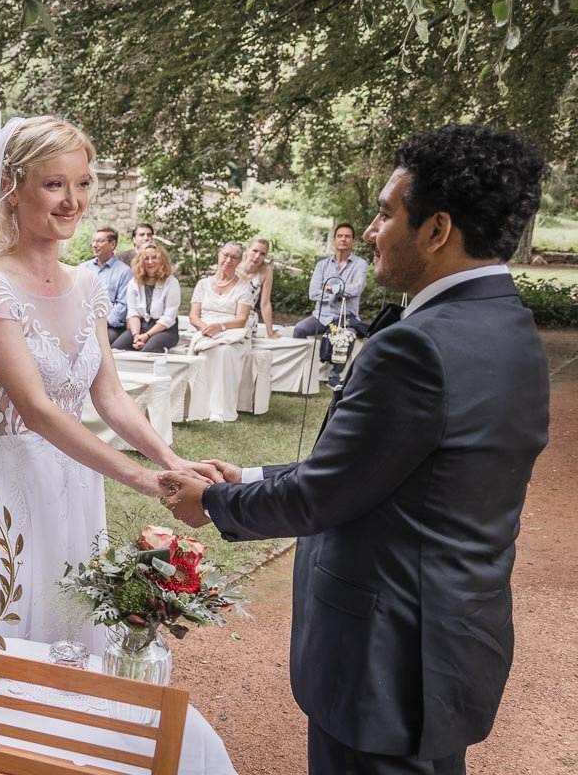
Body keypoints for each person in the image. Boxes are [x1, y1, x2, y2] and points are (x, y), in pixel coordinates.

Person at [162, 125, 550, 775]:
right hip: (452, 640)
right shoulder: (511, 328)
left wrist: (215, 501)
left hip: (384, 657)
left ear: (437, 229)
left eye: (386, 213)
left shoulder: (415, 346)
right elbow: (378, 466)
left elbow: (324, 493)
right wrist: (249, 473)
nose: (371, 231)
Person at [0, 116, 219, 651]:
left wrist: (172, 460)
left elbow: (108, 395)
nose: (73, 201)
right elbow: (38, 411)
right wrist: (144, 480)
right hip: (17, 486)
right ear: (11, 188)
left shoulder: (88, 284)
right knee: (17, 631)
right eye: (54, 184)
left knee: (77, 625)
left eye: (83, 183)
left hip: (81, 479)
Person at [187, 243, 257, 422]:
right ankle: (201, 406)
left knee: (224, 352)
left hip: (232, 331)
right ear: (219, 255)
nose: (228, 260)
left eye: (234, 257)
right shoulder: (203, 284)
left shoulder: (243, 287)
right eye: (225, 255)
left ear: (239, 261)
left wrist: (220, 327)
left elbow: (241, 319)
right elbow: (193, 316)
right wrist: (205, 328)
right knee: (207, 350)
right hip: (205, 330)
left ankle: (220, 410)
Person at [292, 222, 369, 339]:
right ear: (334, 240)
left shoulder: (360, 264)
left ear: (353, 241)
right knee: (299, 329)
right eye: (340, 236)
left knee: (344, 338)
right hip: (321, 316)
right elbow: (313, 293)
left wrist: (330, 288)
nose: (343, 239)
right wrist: (340, 294)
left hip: (346, 317)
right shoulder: (322, 265)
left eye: (347, 236)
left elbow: (356, 290)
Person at [111, 243, 182, 353]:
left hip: (165, 329)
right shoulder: (134, 283)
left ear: (162, 260)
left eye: (154, 258)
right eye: (146, 258)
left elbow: (169, 317)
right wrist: (136, 336)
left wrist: (147, 335)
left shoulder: (171, 282)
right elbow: (133, 313)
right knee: (116, 349)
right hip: (140, 327)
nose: (150, 262)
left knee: (149, 350)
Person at [79, 226, 132, 339]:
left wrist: (102, 324)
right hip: (83, 323)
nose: (94, 245)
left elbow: (123, 305)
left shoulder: (124, 272)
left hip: (109, 326)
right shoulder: (83, 268)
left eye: (100, 241)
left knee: (96, 341)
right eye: (94, 241)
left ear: (112, 244)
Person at [237, 236, 281, 338]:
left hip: (248, 315)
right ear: (247, 249)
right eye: (255, 251)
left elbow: (265, 303)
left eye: (262, 254)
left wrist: (270, 332)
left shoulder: (266, 270)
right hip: (228, 310)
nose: (257, 256)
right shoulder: (235, 264)